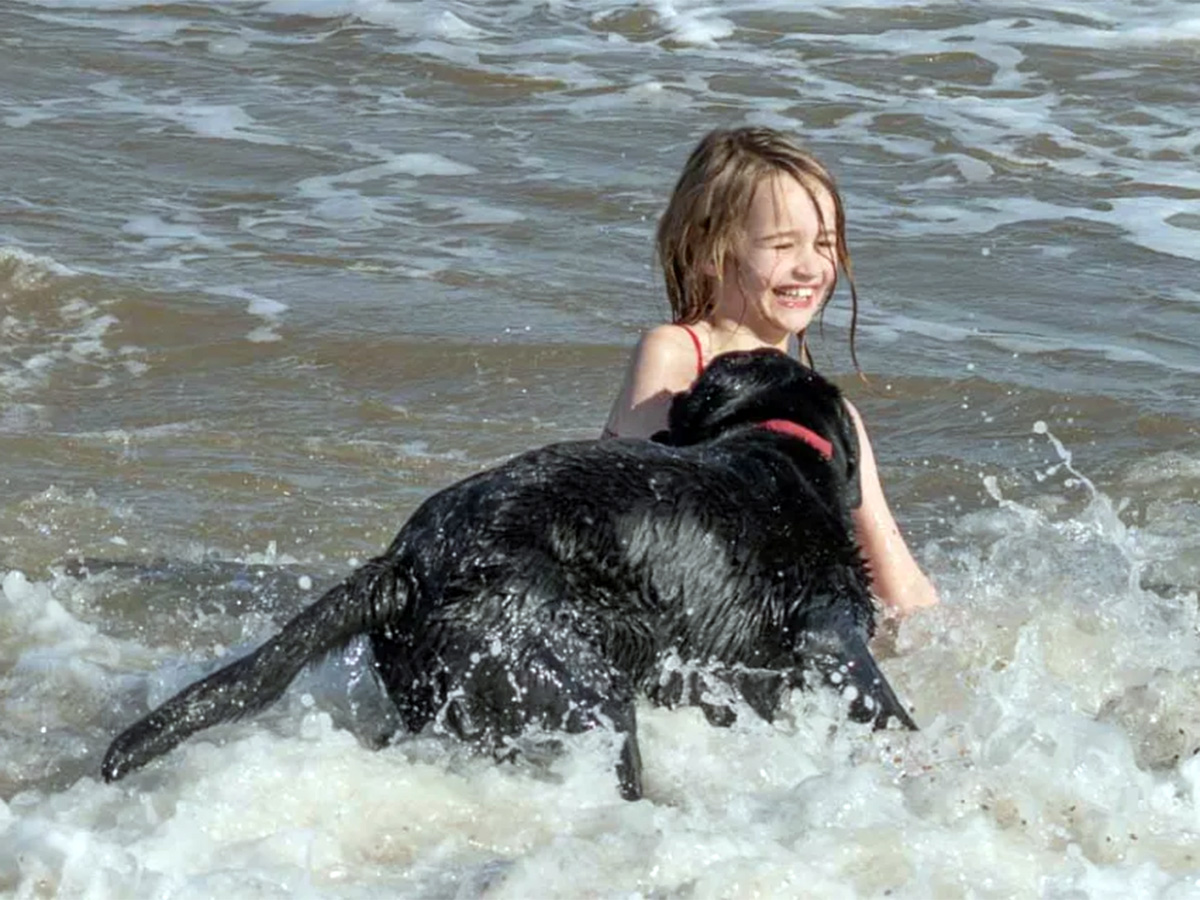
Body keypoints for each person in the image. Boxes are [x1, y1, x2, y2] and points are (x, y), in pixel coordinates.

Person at [601, 126, 939, 616]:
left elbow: (901, 590)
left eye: (824, 243)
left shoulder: (832, 416)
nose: (810, 267)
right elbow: (650, 508)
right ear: (708, 248)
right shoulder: (675, 353)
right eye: (782, 246)